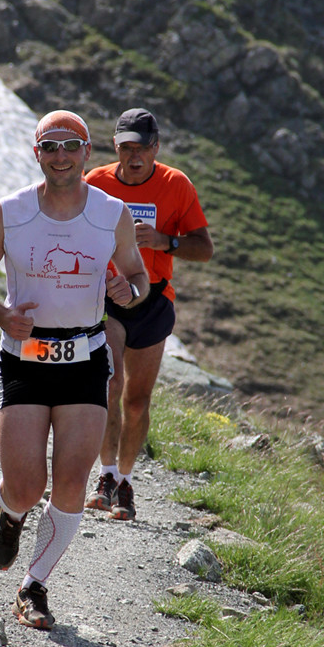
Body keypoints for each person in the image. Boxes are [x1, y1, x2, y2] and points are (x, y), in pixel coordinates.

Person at [0, 110, 149, 631]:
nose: (60, 156)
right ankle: (11, 512)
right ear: (36, 153)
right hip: (25, 357)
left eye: (70, 145)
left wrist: (128, 291)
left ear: (87, 152)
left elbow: (138, 277)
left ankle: (33, 586)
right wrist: (2, 316)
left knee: (70, 484)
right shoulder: (10, 212)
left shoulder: (111, 213)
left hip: (85, 357)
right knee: (25, 485)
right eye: (50, 146)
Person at [84, 108, 213, 521]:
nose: (134, 156)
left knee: (137, 401)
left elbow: (204, 249)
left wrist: (164, 241)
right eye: (126, 147)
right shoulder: (96, 183)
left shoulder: (176, 185)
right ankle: (104, 476)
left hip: (154, 300)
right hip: (108, 298)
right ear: (115, 147)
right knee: (110, 381)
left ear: (155, 147)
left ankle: (125, 481)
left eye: (142, 147)